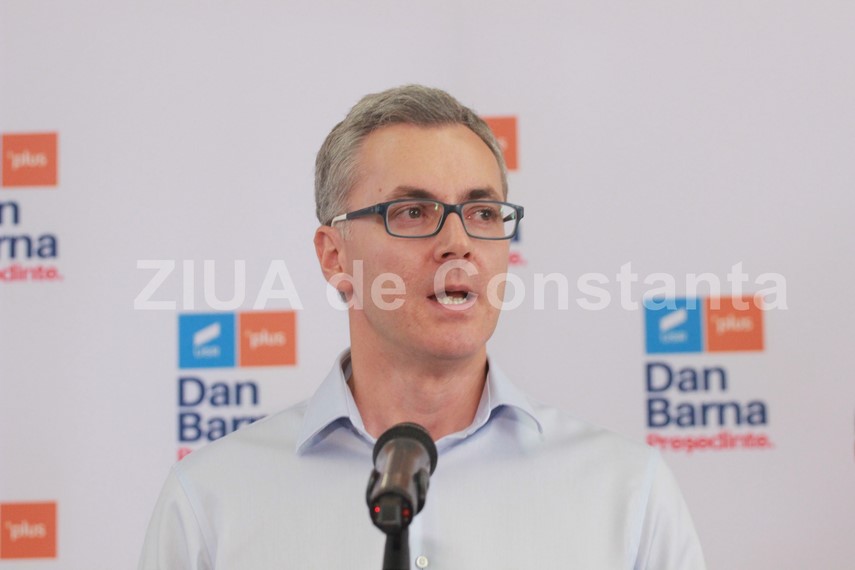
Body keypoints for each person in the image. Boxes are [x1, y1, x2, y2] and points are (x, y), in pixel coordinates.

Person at [138, 85, 706, 569]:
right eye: (412, 212)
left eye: (482, 213)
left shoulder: (628, 494)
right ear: (335, 257)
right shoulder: (211, 501)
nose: (458, 242)